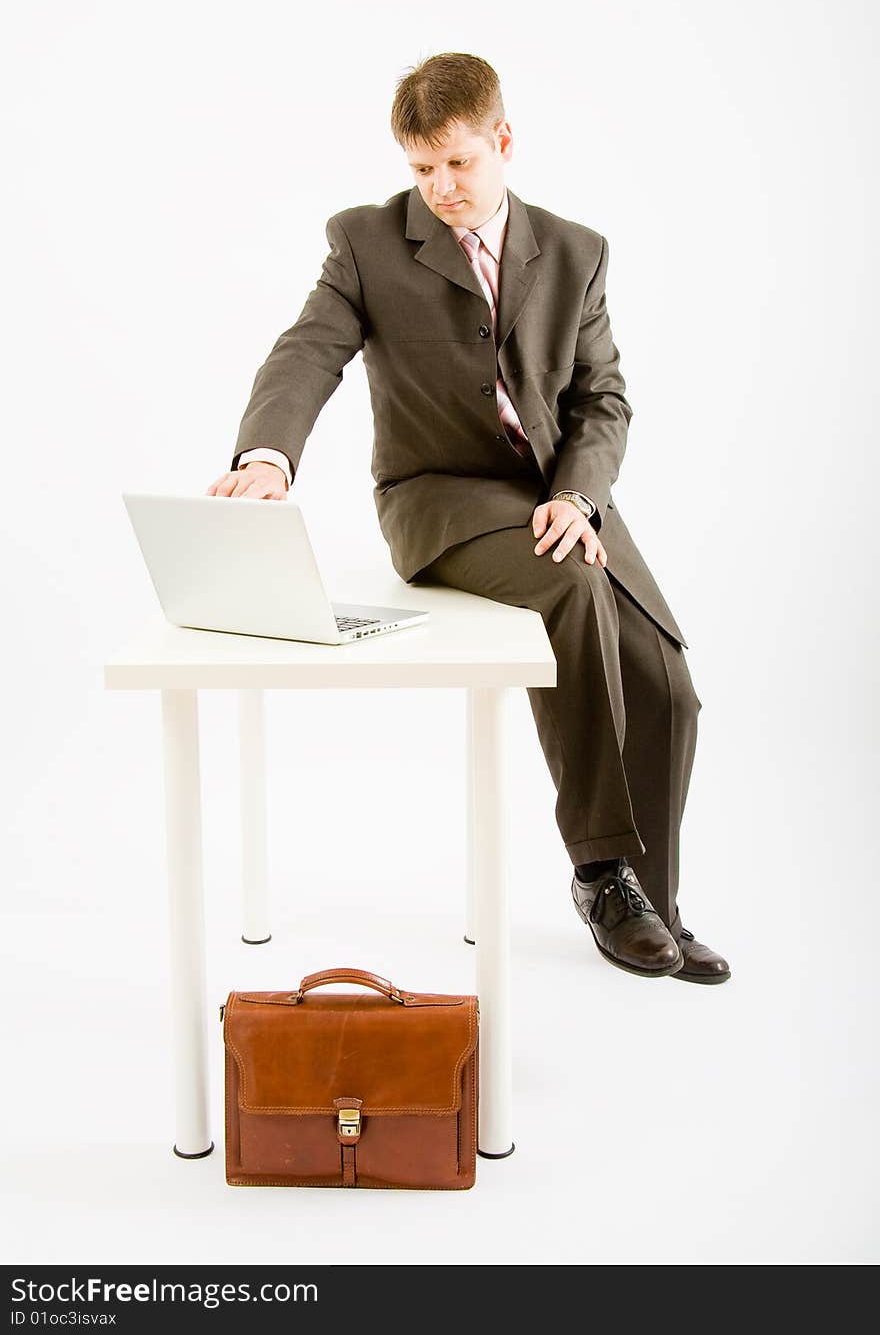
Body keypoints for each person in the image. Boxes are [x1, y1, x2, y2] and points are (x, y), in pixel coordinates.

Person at [207, 51, 730, 986]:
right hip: (438, 501)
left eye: (459, 164)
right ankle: (602, 869)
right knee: (572, 590)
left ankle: (661, 906)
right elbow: (306, 352)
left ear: (503, 141)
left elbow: (602, 402)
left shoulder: (577, 250)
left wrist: (579, 493)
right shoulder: (365, 242)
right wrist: (266, 455)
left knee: (669, 684)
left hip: (558, 495)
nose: (440, 188)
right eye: (420, 168)